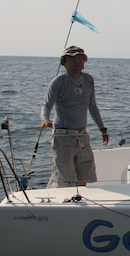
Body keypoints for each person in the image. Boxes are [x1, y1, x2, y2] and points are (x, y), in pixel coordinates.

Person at [39, 46, 109, 187]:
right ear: (64, 62)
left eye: (80, 58)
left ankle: (81, 197)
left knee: (85, 173)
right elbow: (46, 105)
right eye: (72, 59)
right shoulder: (58, 82)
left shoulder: (88, 80)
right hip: (63, 137)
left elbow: (92, 106)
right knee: (65, 177)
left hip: (82, 136)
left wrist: (102, 129)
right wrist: (45, 120)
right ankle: (66, 199)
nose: (77, 62)